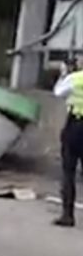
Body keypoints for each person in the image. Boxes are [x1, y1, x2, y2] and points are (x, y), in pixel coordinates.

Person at [52, 57, 83, 227]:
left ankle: (68, 215)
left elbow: (58, 92)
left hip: (75, 126)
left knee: (68, 171)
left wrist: (63, 75)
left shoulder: (75, 79)